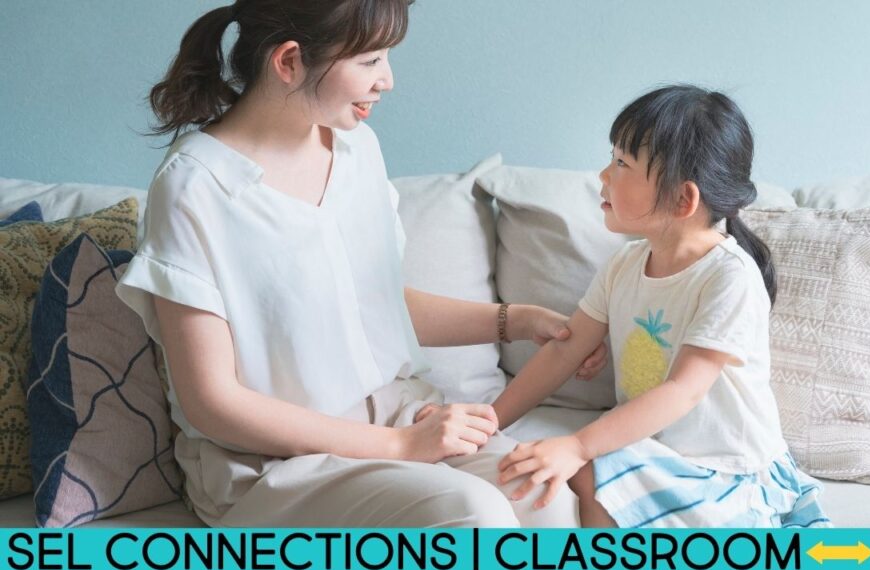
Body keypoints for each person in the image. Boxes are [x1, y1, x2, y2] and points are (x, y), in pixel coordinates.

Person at [115, 0, 607, 528]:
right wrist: (398, 445)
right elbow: (211, 401)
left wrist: (515, 320)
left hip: (397, 416)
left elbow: (376, 305)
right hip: (278, 464)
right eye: (370, 61)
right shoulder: (195, 185)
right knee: (471, 511)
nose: (387, 80)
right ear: (289, 62)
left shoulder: (357, 149)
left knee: (544, 494)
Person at [487, 85, 832, 528]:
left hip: (727, 472)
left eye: (622, 164)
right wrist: (489, 421)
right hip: (661, 454)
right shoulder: (625, 264)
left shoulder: (729, 276)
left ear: (682, 199)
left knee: (589, 466)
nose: (603, 175)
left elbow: (683, 390)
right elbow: (564, 350)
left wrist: (576, 445)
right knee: (585, 469)